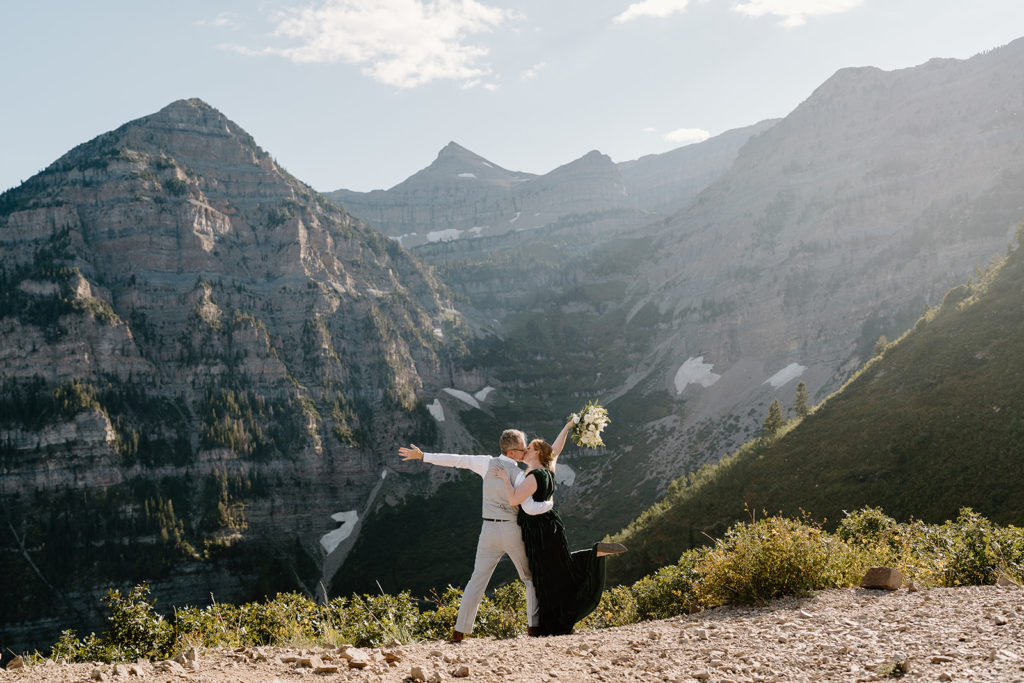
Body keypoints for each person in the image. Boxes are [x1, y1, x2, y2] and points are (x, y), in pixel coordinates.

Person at [398, 429, 552, 642]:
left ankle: (459, 631)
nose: (525, 451)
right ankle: (533, 628)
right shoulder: (518, 475)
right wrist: (549, 504)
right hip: (511, 529)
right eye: (522, 448)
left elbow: (456, 460)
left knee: (477, 580)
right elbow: (528, 507)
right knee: (529, 578)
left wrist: (424, 456)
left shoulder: (485, 463)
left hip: (487, 530)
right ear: (511, 452)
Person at [495, 419, 626, 636]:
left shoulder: (534, 475)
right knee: (561, 566)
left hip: (539, 531)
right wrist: (567, 427)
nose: (524, 450)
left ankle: (553, 624)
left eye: (529, 448)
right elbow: (555, 448)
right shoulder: (548, 468)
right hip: (552, 524)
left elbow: (514, 499)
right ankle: (593, 555)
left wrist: (504, 479)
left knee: (547, 574)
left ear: (537, 453)